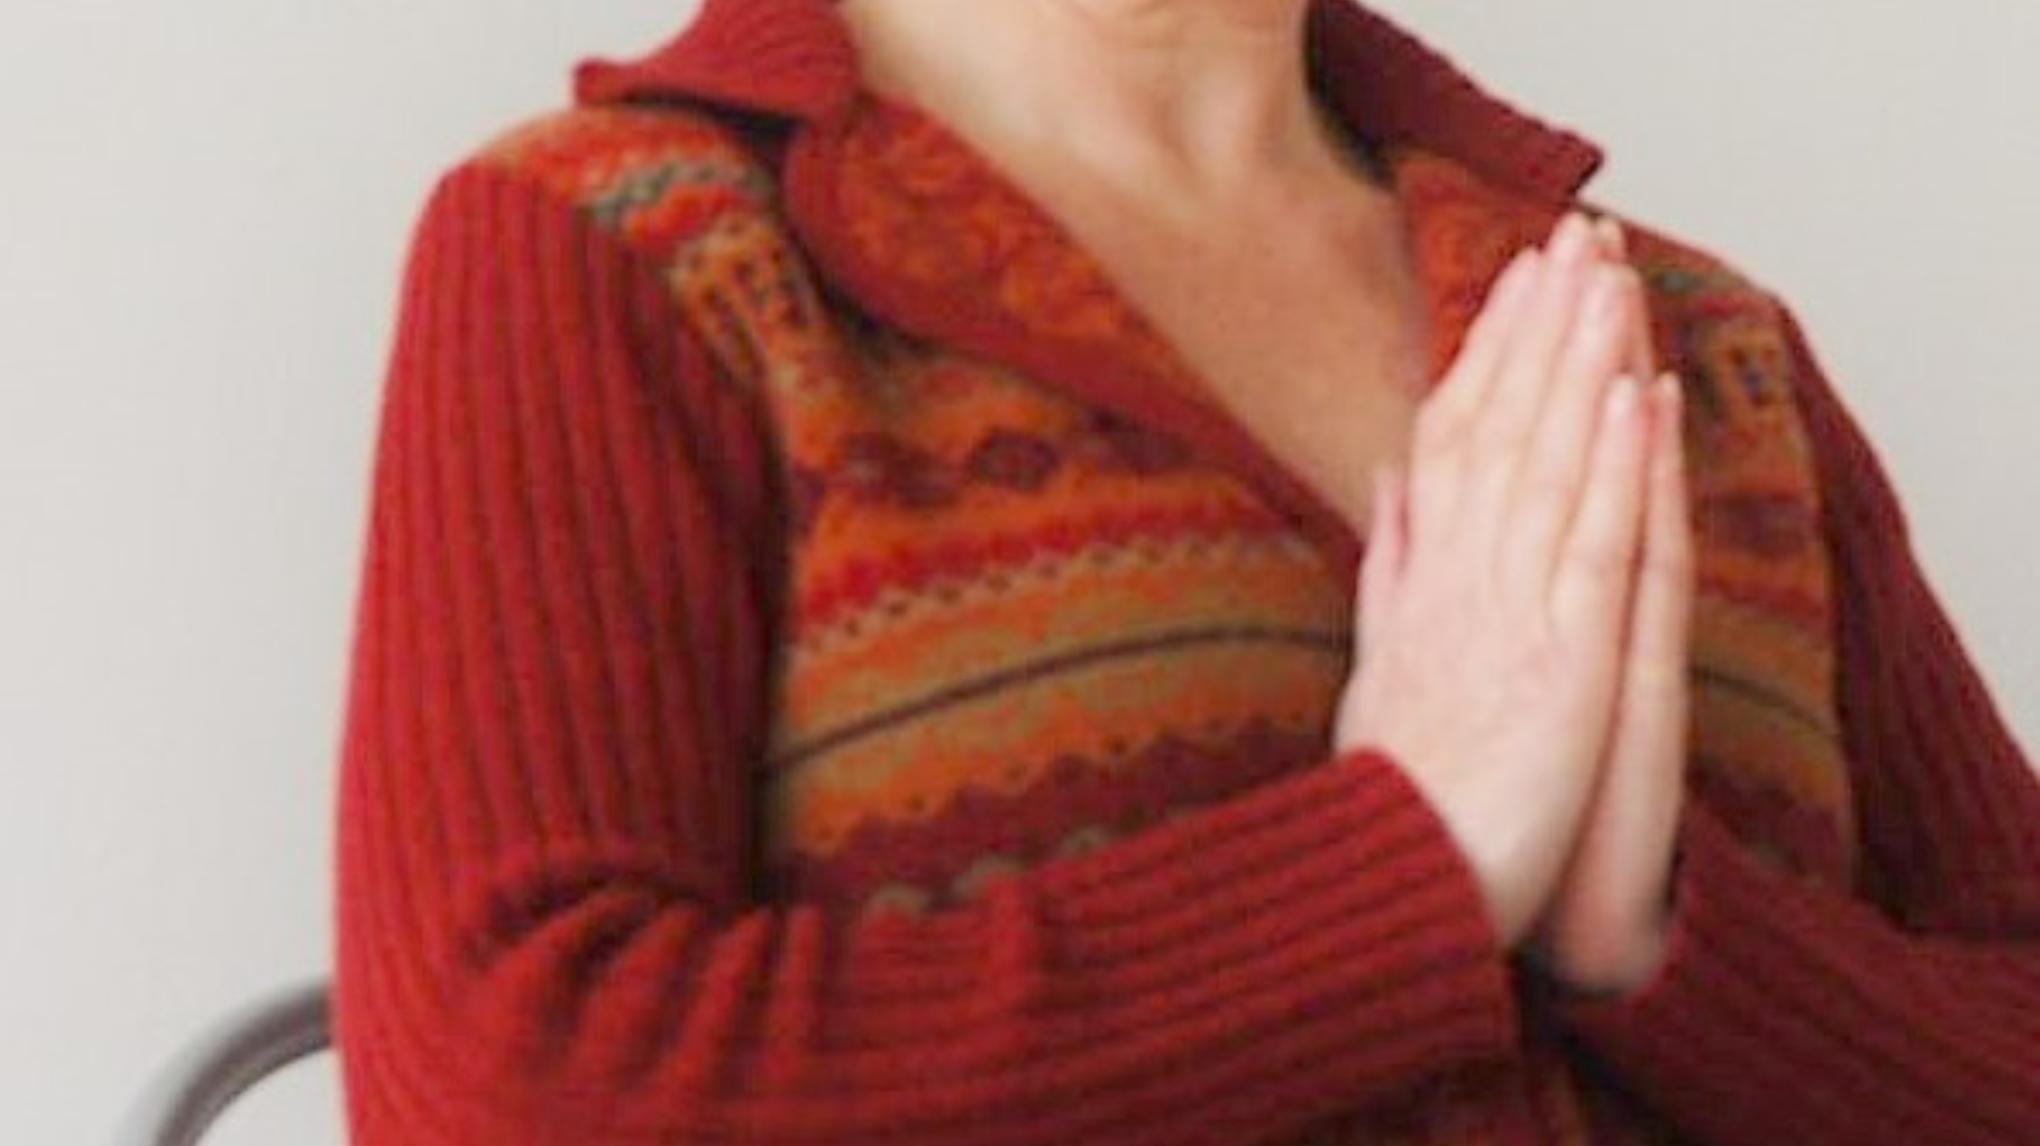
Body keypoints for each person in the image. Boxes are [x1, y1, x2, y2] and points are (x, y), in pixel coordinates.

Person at [329, 0, 2040, 1141]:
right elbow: (506, 1086)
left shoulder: (1696, 344)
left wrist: (1662, 936)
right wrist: (1413, 868)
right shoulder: (629, 253)